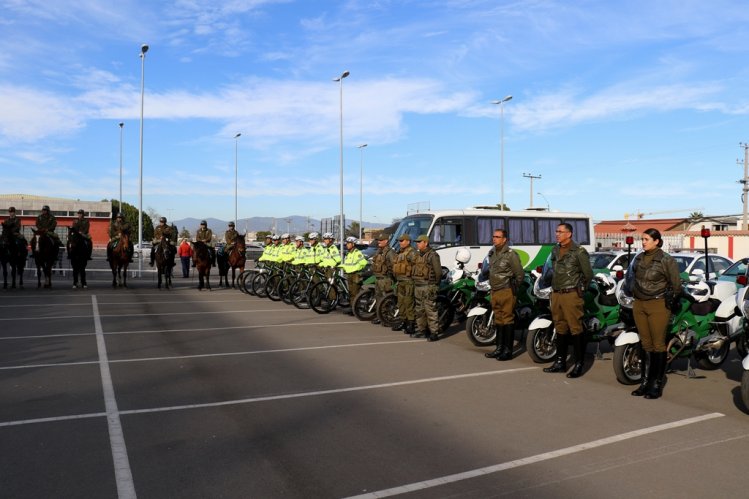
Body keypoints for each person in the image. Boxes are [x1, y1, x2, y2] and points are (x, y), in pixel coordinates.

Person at [629, 228, 682, 400]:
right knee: (645, 344)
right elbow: (631, 278)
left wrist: (669, 302)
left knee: (658, 345)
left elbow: (676, 285)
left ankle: (656, 385)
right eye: (642, 239)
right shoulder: (638, 257)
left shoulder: (666, 259)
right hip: (639, 304)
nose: (643, 242)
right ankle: (645, 382)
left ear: (656, 241)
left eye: (646, 239)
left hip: (658, 304)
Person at [543, 222, 593, 378]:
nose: (557, 233)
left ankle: (579, 364)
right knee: (560, 327)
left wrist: (579, 291)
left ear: (569, 234)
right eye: (556, 231)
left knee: (575, 328)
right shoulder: (555, 250)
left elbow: (588, 275)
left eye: (560, 231)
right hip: (556, 293)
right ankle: (560, 362)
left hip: (572, 294)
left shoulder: (579, 252)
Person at [484, 229, 525, 360]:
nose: (494, 239)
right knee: (498, 319)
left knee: (507, 319)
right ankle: (499, 348)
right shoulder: (492, 252)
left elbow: (519, 274)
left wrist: (513, 288)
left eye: (497, 237)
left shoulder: (511, 254)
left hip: (506, 290)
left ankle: (508, 350)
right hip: (495, 290)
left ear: (504, 239)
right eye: (493, 236)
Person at [411, 235, 443, 341]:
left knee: (430, 310)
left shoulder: (433, 255)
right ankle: (422, 330)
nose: (417, 243)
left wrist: (434, 285)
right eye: (417, 242)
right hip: (418, 286)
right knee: (419, 310)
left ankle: (434, 332)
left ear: (426, 243)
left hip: (428, 286)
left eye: (419, 242)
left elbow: (438, 272)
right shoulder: (417, 255)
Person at [391, 233, 417, 334]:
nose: (400, 243)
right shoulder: (400, 252)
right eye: (399, 241)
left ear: (408, 241)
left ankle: (410, 324)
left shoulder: (412, 253)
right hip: (400, 281)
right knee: (401, 303)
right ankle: (403, 321)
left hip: (408, 282)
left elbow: (416, 267)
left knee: (409, 303)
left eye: (402, 241)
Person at [370, 232, 395, 325]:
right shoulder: (378, 251)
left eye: (381, 240)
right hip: (378, 278)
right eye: (378, 240)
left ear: (386, 241)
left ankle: (387, 317)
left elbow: (394, 266)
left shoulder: (390, 252)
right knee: (378, 298)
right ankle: (379, 316)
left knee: (386, 299)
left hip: (386, 279)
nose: (379, 242)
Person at [340, 237, 367, 310]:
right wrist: (339, 266)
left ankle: (355, 308)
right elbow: (347, 264)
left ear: (353, 244)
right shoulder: (349, 253)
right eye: (347, 243)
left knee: (355, 292)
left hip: (355, 274)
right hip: (349, 274)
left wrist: (356, 269)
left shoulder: (357, 253)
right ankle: (352, 307)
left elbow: (364, 263)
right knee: (351, 292)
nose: (347, 245)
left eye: (348, 243)